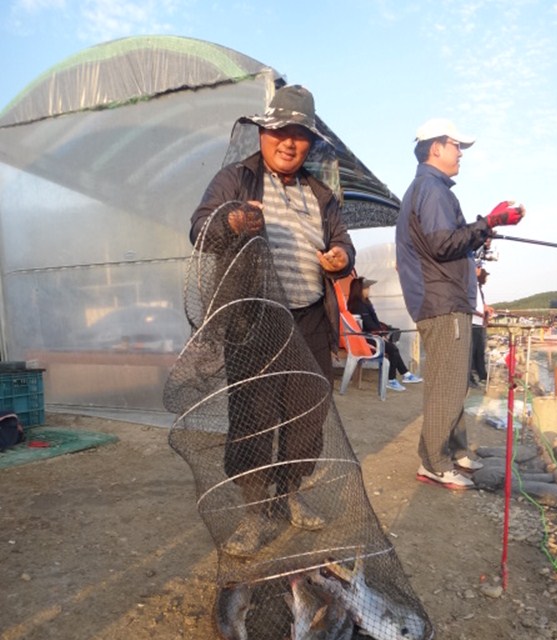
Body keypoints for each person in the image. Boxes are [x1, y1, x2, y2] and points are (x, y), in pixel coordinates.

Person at [189, 84, 355, 554]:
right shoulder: (235, 179)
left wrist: (341, 255)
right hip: (252, 318)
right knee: (253, 417)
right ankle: (254, 512)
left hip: (309, 318)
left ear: (310, 143)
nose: (288, 142)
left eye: (299, 135)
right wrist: (233, 222)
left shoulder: (321, 194)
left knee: (308, 414)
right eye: (279, 130)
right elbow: (200, 229)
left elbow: (343, 241)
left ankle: (290, 493)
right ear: (262, 132)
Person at [395, 118, 525, 490]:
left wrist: (484, 229)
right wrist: (489, 222)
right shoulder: (431, 188)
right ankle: (434, 463)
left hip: (444, 301)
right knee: (447, 387)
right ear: (436, 147)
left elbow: (445, 243)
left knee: (450, 383)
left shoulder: (428, 188)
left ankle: (455, 451)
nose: (461, 154)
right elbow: (443, 244)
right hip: (443, 302)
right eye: (456, 146)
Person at [346, 276, 422, 392]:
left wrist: (382, 333)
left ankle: (405, 374)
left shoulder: (364, 302)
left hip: (371, 335)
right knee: (392, 349)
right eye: (366, 288)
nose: (369, 290)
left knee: (393, 347)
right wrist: (381, 335)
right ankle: (392, 380)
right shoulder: (357, 305)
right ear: (359, 289)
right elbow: (368, 325)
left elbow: (372, 323)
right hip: (365, 338)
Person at [471, 264, 493, 386]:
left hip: (479, 324)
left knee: (480, 351)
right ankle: (469, 378)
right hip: (472, 323)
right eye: (477, 267)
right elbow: (467, 305)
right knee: (471, 352)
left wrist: (487, 308)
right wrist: (481, 315)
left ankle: (482, 375)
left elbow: (481, 304)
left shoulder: (478, 288)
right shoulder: (469, 285)